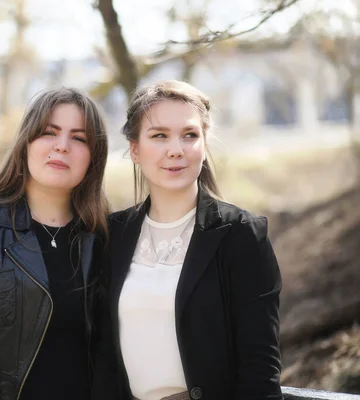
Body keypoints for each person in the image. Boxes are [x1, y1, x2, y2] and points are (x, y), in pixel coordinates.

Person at [98, 80, 283, 400]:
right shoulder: (111, 235)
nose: (176, 149)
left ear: (204, 143)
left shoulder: (240, 235)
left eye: (189, 135)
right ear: (135, 149)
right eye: (159, 136)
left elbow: (260, 368)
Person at [0, 87, 109, 400]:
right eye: (49, 133)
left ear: (93, 157)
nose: (62, 146)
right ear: (26, 141)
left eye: (79, 138)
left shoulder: (103, 235)